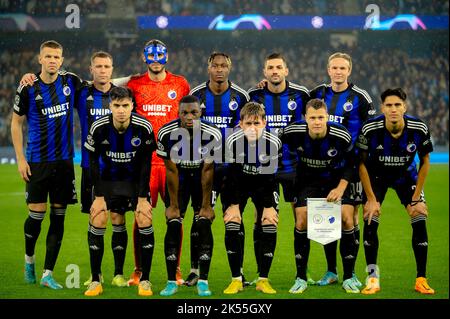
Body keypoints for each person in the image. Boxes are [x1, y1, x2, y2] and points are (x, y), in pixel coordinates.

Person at [11, 40, 83, 289]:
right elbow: (16, 124)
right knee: (37, 214)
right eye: (48, 56)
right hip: (37, 161)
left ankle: (47, 274)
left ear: (62, 60)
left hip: (64, 162)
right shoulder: (28, 87)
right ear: (40, 59)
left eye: (57, 57)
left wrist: (132, 79)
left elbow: (100, 86)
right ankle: (29, 260)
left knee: (58, 217)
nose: (53, 60)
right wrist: (20, 159)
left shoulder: (70, 82)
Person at [356, 88, 435, 295]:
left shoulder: (418, 128)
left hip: (406, 176)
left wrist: (416, 197)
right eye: (389, 105)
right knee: (370, 217)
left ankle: (421, 279)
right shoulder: (370, 128)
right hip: (376, 178)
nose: (393, 109)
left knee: (419, 216)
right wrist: (371, 199)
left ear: (404, 107)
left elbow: (425, 162)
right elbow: (361, 164)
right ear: (382, 108)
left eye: (397, 105)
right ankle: (372, 278)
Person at [126, 39, 190, 286]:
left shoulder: (180, 84)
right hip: (144, 164)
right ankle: (138, 269)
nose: (155, 59)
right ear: (144, 57)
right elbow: (111, 87)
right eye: (150, 55)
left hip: (173, 162)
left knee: (175, 217)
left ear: (166, 56)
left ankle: (175, 270)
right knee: (141, 216)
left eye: (159, 54)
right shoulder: (134, 84)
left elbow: (190, 113)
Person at [310, 52, 375, 287]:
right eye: (334, 68)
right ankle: (331, 271)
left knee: (349, 218)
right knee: (327, 221)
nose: (338, 72)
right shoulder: (318, 93)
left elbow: (370, 132)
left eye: (343, 68)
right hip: (324, 168)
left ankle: (350, 273)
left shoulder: (360, 97)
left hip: (352, 166)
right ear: (329, 70)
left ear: (349, 71)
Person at [83, 86, 156, 296]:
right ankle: (96, 279)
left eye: (125, 105)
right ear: (110, 106)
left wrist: (142, 198)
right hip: (107, 181)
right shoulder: (99, 127)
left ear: (132, 106)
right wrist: (98, 197)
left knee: (144, 218)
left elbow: (145, 164)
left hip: (133, 182)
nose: (121, 110)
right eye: (117, 106)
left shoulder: (143, 127)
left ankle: (145, 280)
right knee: (97, 218)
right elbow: (93, 163)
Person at [281, 98, 359, 294]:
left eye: (321, 117)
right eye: (313, 118)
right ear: (305, 118)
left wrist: (341, 188)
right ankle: (300, 277)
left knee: (346, 219)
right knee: (301, 220)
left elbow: (352, 163)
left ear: (327, 117)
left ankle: (349, 276)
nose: (317, 122)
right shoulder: (292, 132)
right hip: (307, 181)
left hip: (336, 180)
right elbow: (280, 152)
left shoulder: (340, 134)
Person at [188, 52, 249, 286]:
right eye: (215, 65)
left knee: (235, 218)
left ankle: (239, 272)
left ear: (230, 68)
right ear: (208, 67)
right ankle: (196, 269)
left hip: (233, 169)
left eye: (224, 65)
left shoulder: (241, 96)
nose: (220, 69)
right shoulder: (196, 95)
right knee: (201, 217)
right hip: (204, 168)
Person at [248, 52, 310, 282]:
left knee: (301, 219)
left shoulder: (301, 94)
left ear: (286, 70)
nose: (274, 71)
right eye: (270, 67)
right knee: (260, 217)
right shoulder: (254, 95)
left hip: (295, 167)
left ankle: (302, 274)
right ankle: (260, 273)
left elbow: (316, 114)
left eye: (278, 67)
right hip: (266, 167)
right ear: (264, 72)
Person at [156, 95, 221, 296]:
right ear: (178, 113)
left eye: (194, 112)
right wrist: (173, 204)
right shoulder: (166, 133)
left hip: (202, 179)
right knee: (174, 222)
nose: (189, 117)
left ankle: (203, 280)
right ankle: (170, 281)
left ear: (201, 112)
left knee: (203, 222)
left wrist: (206, 205)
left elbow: (208, 170)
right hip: (180, 179)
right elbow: (172, 171)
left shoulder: (213, 133)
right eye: (184, 113)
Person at [77, 52, 132, 288]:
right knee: (97, 218)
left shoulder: (120, 95)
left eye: (106, 66)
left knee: (118, 219)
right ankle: (95, 275)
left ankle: (119, 273)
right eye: (98, 66)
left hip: (119, 168)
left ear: (112, 69)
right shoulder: (82, 93)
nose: (102, 70)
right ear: (91, 69)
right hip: (92, 168)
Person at [222, 102, 281, 295]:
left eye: (257, 123)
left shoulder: (272, 141)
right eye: (248, 123)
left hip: (263, 183)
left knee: (269, 222)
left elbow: (270, 178)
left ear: (264, 122)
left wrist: (269, 206)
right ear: (240, 124)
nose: (253, 128)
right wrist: (233, 205)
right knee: (232, 222)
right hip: (238, 183)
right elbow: (231, 176)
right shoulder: (232, 141)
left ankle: (263, 280)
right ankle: (236, 280)